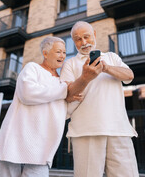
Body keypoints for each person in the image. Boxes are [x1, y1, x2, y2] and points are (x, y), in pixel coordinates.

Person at [60, 21, 139, 177]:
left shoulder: (111, 57)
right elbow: (67, 95)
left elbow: (129, 75)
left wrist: (106, 67)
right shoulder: (70, 64)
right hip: (86, 130)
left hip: (119, 129)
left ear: (94, 35)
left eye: (86, 37)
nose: (83, 42)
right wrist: (85, 78)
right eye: (78, 39)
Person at [0, 36, 75, 177]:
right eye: (59, 51)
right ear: (45, 53)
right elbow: (28, 94)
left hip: (42, 145)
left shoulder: (62, 81)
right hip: (16, 140)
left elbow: (63, 113)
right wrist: (64, 91)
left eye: (64, 52)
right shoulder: (32, 68)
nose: (63, 56)